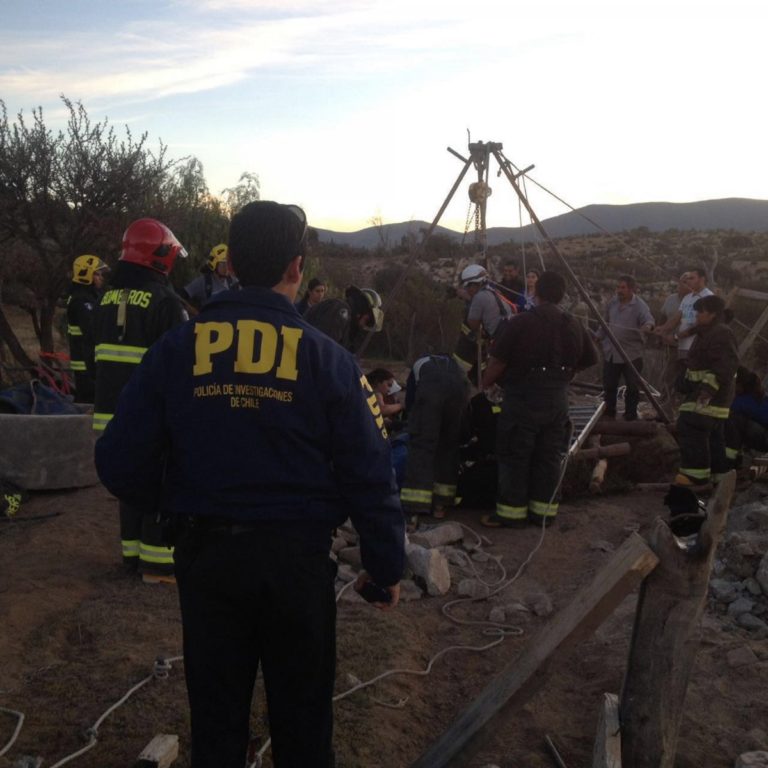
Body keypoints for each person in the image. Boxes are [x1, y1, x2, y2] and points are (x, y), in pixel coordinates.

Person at [94, 201, 405, 768]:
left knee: (216, 724)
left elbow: (117, 459)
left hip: (207, 560)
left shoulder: (176, 349)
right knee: (303, 725)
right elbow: (371, 474)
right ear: (297, 266)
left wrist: (175, 504)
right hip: (297, 565)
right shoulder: (331, 361)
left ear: (231, 263)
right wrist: (384, 568)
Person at [93, 218, 188, 582]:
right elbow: (179, 363)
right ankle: (158, 565)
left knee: (130, 480)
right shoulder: (165, 302)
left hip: (110, 412)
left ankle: (131, 556)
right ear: (161, 257)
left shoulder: (106, 298)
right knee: (160, 482)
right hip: (151, 412)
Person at [480, 271, 597, 527]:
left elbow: (498, 362)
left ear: (537, 293)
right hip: (557, 400)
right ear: (561, 295)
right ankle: (543, 513)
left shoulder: (520, 323)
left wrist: (484, 383)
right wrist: (565, 375)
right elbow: (590, 358)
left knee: (515, 454)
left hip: (523, 398)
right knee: (549, 456)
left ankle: (511, 514)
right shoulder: (573, 324)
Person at [674, 294, 738, 488]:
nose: (696, 316)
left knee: (690, 426)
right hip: (713, 398)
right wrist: (684, 382)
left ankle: (695, 475)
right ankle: (719, 475)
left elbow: (724, 366)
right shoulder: (708, 333)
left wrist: (707, 391)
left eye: (700, 312)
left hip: (709, 397)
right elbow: (700, 365)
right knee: (713, 436)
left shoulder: (721, 334)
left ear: (712, 314)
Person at [400, 354, 470, 519]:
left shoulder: (420, 363)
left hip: (431, 393)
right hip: (459, 393)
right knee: (449, 447)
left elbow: (411, 399)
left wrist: (410, 422)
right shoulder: (456, 368)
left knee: (422, 447)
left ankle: (415, 507)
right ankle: (441, 505)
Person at [594, 275, 655, 421]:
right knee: (609, 385)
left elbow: (649, 320)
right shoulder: (612, 303)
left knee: (632, 386)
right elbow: (605, 323)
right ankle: (609, 413)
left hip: (631, 353)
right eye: (618, 287)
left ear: (631, 289)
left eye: (623, 288)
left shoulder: (640, 305)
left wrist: (647, 327)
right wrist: (598, 336)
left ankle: (630, 415)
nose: (619, 291)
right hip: (611, 352)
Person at [453, 264, 514, 377]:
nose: (468, 290)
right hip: (507, 338)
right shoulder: (495, 292)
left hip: (498, 342)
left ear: (476, 284)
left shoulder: (479, 297)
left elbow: (473, 324)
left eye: (468, 286)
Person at [66, 254, 109, 403]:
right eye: (97, 274)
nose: (101, 278)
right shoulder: (81, 301)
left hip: (88, 362)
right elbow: (92, 331)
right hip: (85, 364)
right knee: (89, 402)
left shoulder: (88, 296)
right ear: (86, 275)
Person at [655, 267, 713, 373]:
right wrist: (662, 329)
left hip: (696, 349)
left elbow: (699, 326)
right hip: (682, 348)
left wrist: (676, 337)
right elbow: (676, 319)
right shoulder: (688, 297)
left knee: (688, 379)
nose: (688, 281)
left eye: (692, 278)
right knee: (676, 378)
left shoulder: (708, 297)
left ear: (702, 279)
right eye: (688, 279)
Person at [305, 285, 383, 353]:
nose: (364, 326)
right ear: (362, 309)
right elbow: (325, 348)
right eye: (368, 320)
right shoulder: (340, 310)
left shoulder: (347, 322)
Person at [725, 367, 768, 468]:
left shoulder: (744, 401)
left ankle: (728, 462)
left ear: (740, 384)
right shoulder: (757, 395)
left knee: (732, 420)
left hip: (765, 439)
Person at [181, 243, 238, 312]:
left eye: (228, 263)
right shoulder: (203, 282)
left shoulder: (233, 281)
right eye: (223, 263)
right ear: (214, 264)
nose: (226, 267)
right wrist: (195, 312)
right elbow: (180, 297)